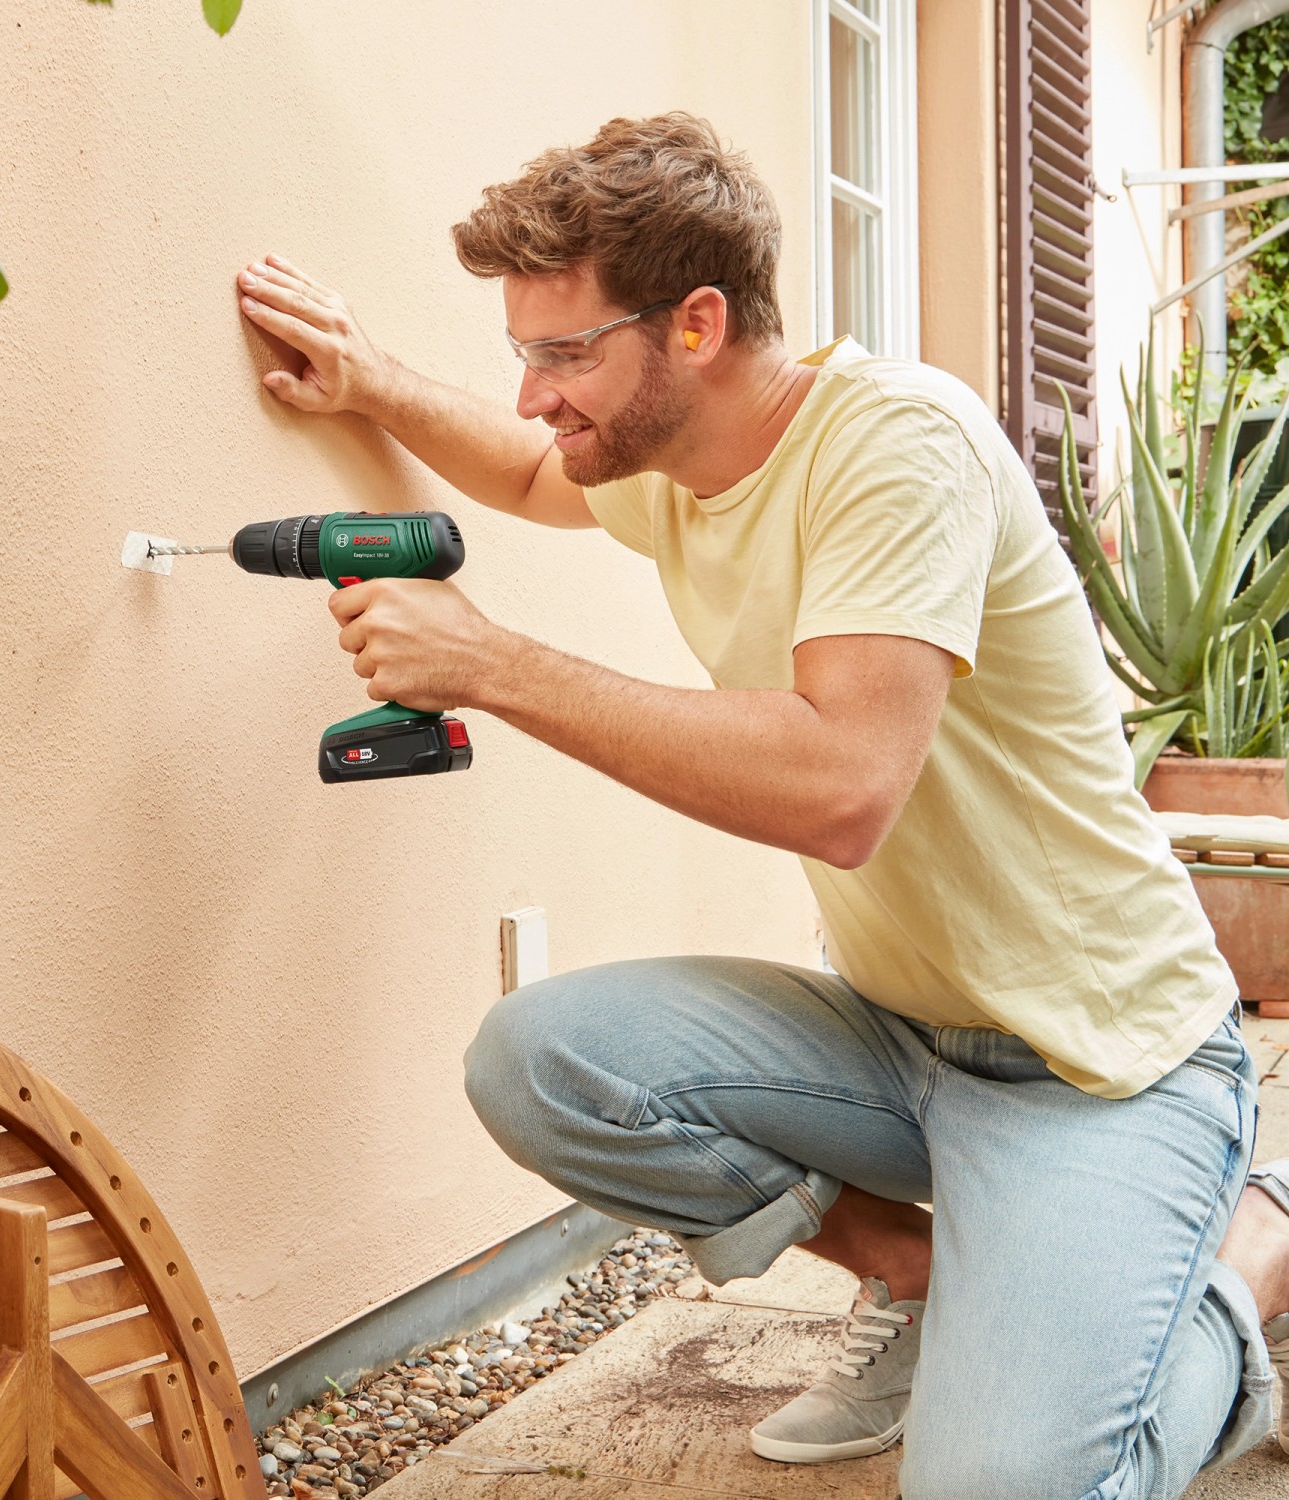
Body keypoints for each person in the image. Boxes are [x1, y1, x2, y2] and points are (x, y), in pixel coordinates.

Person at [236, 112, 1289, 1496]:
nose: (537, 395)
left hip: (1104, 1067)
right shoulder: (669, 465)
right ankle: (922, 1281)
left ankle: (1254, 1263)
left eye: (565, 354)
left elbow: (842, 786)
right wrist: (370, 381)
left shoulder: (897, 447)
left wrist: (492, 664)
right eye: (522, 354)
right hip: (903, 1038)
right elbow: (526, 470)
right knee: (539, 1059)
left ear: (697, 326)